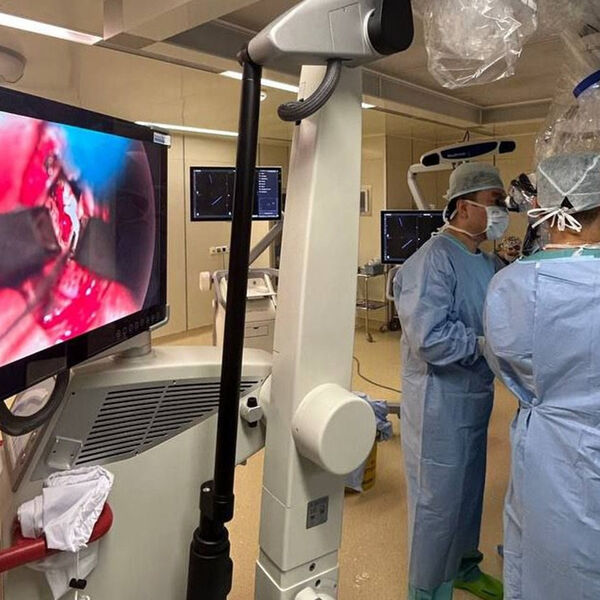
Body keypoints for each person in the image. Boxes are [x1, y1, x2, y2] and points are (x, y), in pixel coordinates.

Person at [484, 152, 600, 600]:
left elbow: (507, 366)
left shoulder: (510, 285)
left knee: (542, 550)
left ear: (542, 208)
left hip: (547, 446)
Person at [394, 162, 508, 600]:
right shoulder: (432, 261)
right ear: (464, 207)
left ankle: (463, 566)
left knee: (468, 490)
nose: (501, 212)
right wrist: (482, 345)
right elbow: (429, 338)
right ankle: (427, 589)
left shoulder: (487, 261)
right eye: (495, 202)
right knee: (436, 502)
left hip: (474, 397)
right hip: (438, 403)